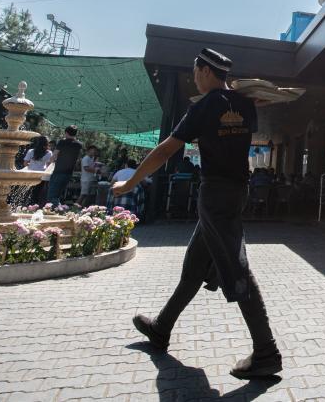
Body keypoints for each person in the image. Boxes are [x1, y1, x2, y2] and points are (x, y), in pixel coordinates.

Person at [114, 48, 281, 379]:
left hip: (216, 194)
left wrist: (130, 182)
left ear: (206, 71)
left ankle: (266, 351)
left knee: (237, 268)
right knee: (194, 266)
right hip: (236, 192)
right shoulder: (245, 104)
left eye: (195, 72)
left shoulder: (204, 106)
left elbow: (166, 149)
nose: (194, 79)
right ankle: (161, 327)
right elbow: (244, 110)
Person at [49, 125, 84, 206]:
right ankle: (58, 209)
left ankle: (53, 209)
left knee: (52, 194)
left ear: (66, 133)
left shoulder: (62, 142)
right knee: (59, 194)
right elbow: (78, 159)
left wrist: (50, 162)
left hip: (58, 171)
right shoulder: (79, 145)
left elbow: (54, 156)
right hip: (69, 173)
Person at [23, 135, 53, 206]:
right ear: (46, 143)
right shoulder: (49, 153)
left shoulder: (31, 151)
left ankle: (26, 205)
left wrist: (31, 165)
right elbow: (49, 165)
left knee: (28, 191)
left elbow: (25, 163)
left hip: (30, 173)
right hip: (41, 174)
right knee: (38, 191)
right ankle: (35, 206)